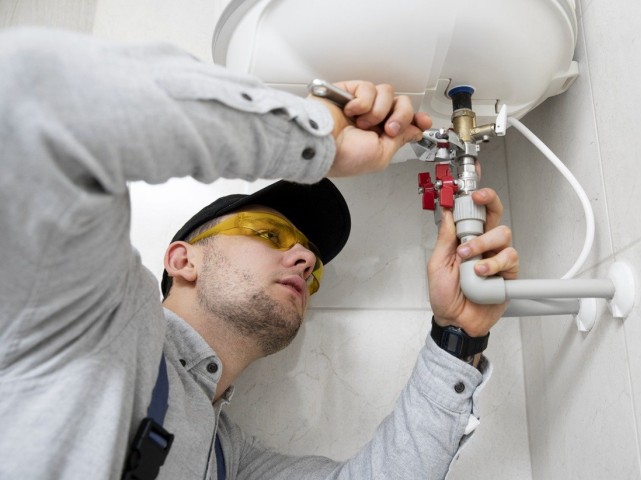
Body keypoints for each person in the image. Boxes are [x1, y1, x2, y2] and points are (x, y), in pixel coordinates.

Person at [0, 27, 518, 479]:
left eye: (311, 264)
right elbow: (31, 96)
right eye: (268, 234)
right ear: (183, 260)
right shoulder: (88, 321)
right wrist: (313, 138)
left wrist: (458, 335)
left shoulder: (226, 459)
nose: (306, 260)